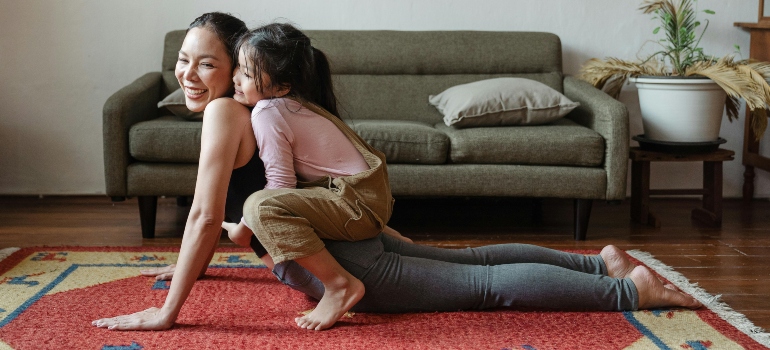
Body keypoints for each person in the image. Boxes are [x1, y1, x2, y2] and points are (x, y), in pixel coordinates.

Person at [92, 13, 702, 333]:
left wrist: (169, 310)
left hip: (343, 261)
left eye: (207, 64)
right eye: (182, 61)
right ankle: (602, 263)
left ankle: (628, 290)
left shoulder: (229, 112)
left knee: (483, 288)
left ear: (238, 69)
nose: (189, 76)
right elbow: (244, 212)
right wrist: (197, 258)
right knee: (476, 262)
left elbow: (207, 214)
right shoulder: (268, 107)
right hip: (345, 233)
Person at [222, 23, 412, 330]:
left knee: (260, 206)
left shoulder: (268, 111)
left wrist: (244, 229)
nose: (235, 78)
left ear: (281, 86)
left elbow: (280, 187)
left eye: (245, 73)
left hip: (357, 206)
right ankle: (384, 233)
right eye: (238, 69)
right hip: (367, 200)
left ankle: (339, 285)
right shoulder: (295, 104)